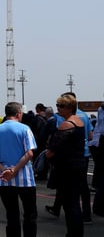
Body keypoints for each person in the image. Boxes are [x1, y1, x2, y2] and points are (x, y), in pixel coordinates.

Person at [0, 102, 37, 237]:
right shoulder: (24, 129)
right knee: (30, 214)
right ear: (18, 113)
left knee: (12, 215)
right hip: (25, 179)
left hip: (4, 179)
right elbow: (29, 153)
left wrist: (5, 169)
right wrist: (15, 169)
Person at [45, 93, 86, 236]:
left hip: (66, 168)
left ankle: (73, 233)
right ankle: (76, 232)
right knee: (74, 203)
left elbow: (51, 150)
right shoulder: (79, 121)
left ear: (70, 107)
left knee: (70, 205)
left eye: (61, 106)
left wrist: (48, 150)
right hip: (78, 165)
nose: (58, 109)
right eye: (57, 105)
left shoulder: (67, 124)